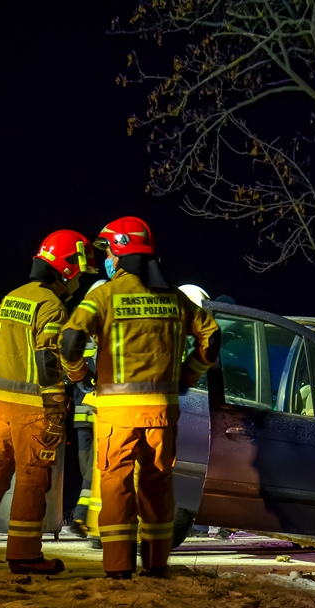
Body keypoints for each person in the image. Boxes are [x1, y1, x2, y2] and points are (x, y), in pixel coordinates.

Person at [61, 216, 220, 579]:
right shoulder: (175, 299)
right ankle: (156, 562)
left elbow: (69, 342)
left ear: (120, 251)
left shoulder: (102, 296)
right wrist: (188, 375)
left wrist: (79, 375)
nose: (108, 260)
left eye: (109, 253)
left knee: (115, 484)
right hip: (163, 414)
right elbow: (211, 338)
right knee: (158, 484)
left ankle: (118, 566)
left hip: (117, 414)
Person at [0, 230, 97, 574]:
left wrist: (8, 373)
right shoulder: (51, 305)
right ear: (65, 268)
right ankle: (24, 554)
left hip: (1, 406)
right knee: (33, 479)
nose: (78, 279)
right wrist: (54, 405)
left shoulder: (11, 298)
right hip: (34, 410)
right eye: (78, 271)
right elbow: (48, 360)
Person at [67, 280, 105, 538]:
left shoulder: (106, 331)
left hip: (98, 414)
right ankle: (85, 516)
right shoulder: (88, 332)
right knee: (89, 468)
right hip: (86, 416)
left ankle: (82, 516)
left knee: (95, 467)